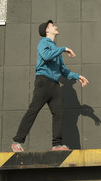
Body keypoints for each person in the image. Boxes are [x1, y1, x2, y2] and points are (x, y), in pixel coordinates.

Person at [12, 20, 89, 152]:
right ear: (47, 30)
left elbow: (63, 70)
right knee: (33, 110)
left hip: (54, 85)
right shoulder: (43, 43)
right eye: (53, 26)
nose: (56, 27)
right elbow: (46, 56)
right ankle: (17, 142)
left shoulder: (56, 48)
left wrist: (78, 76)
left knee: (59, 113)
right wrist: (63, 49)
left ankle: (57, 144)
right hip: (43, 82)